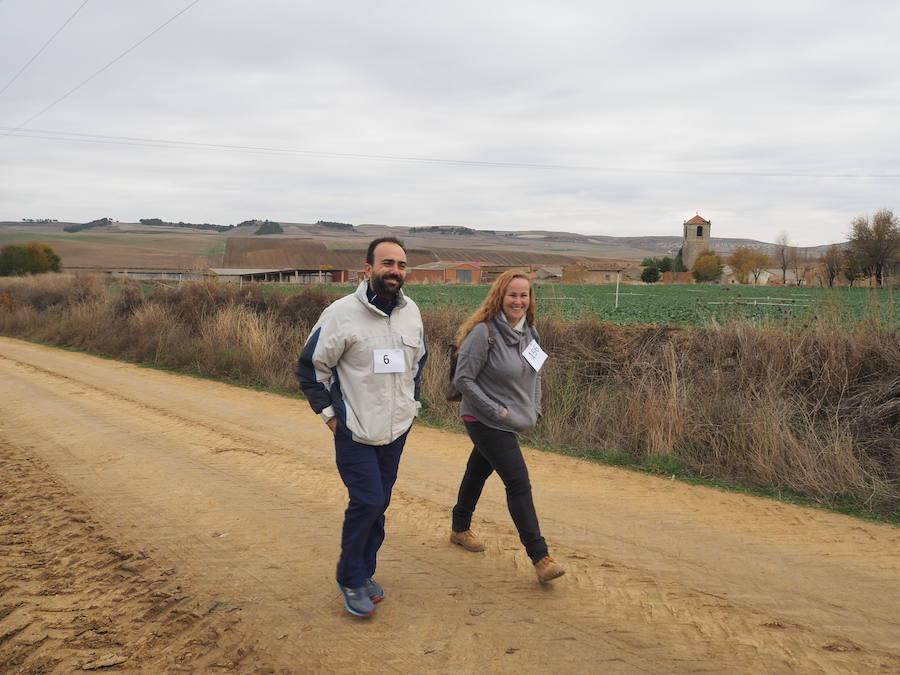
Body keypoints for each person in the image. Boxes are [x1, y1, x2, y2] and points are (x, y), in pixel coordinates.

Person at [295, 237, 427, 616]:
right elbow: (310, 368)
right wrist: (331, 417)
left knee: (379, 503)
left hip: (397, 429)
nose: (395, 271)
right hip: (354, 430)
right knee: (367, 501)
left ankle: (364, 572)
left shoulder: (412, 312)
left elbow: (419, 362)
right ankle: (351, 578)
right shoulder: (340, 313)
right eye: (387, 264)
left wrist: (411, 405)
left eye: (401, 265)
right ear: (367, 270)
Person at [449, 270, 565, 584]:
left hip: (513, 417)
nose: (518, 300)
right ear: (500, 297)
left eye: (523, 295)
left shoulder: (531, 334)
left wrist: (535, 408)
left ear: (530, 300)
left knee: (478, 471)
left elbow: (535, 375)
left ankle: (459, 527)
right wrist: (496, 411)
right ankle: (540, 557)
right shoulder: (483, 333)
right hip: (484, 418)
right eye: (512, 295)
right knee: (518, 481)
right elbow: (464, 380)